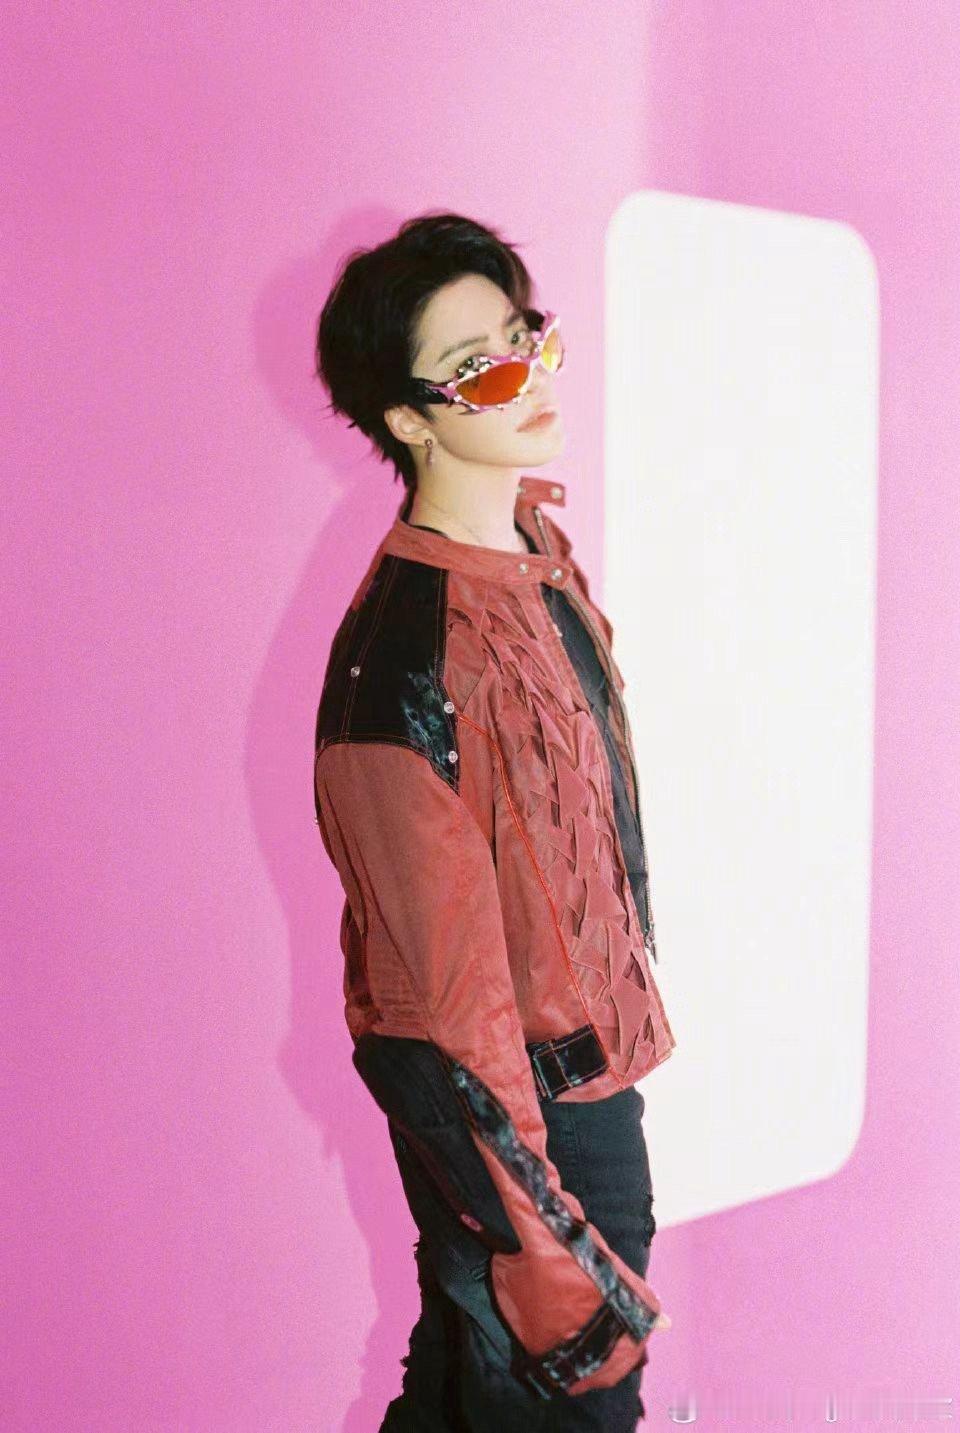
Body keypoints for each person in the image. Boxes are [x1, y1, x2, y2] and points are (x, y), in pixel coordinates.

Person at [312, 211, 677, 1430]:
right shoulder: (406, 661)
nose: (528, 377)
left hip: (584, 1100)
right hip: (531, 1142)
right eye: (480, 368)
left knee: (460, 1395)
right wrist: (544, 1244)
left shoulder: (533, 554)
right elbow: (443, 1014)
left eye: (526, 338)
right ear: (408, 419)